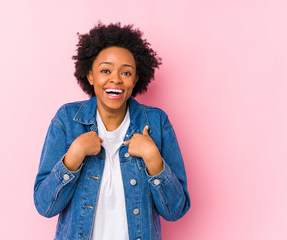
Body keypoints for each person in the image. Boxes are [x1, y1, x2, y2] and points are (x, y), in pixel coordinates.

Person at [33, 22, 190, 240]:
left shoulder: (156, 122)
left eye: (126, 72)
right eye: (105, 70)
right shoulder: (67, 120)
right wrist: (74, 155)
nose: (115, 79)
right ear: (90, 76)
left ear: (135, 79)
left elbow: (175, 210)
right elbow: (44, 206)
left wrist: (153, 159)